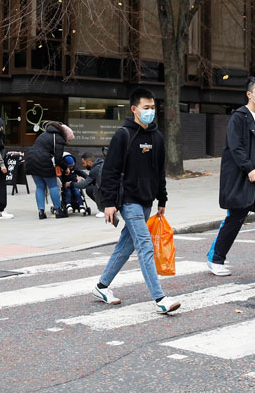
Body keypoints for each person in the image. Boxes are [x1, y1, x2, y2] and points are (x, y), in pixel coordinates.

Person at [92, 87, 181, 315]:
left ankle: (101, 286)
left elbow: (159, 171)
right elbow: (110, 171)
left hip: (146, 201)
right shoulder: (123, 135)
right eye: (146, 108)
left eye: (153, 107)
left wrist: (162, 198)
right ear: (134, 109)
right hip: (128, 200)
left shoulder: (157, 137)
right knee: (145, 245)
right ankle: (160, 298)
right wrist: (110, 203)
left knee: (126, 245)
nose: (150, 111)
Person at [206, 77, 255, 279]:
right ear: (249, 94)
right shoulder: (239, 117)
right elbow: (235, 146)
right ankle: (216, 259)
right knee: (235, 219)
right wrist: (249, 168)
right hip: (245, 178)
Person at [25, 120, 75, 219]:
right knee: (53, 185)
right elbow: (58, 159)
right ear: (66, 136)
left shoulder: (44, 134)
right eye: (69, 140)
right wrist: (65, 168)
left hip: (30, 159)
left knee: (40, 187)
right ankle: (58, 210)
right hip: (43, 160)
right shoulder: (59, 138)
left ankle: (41, 212)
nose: (68, 142)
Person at [73, 152, 105, 218]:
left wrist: (71, 184)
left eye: (84, 163)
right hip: (115, 191)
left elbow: (83, 185)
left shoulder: (94, 170)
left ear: (89, 162)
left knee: (90, 189)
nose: (83, 165)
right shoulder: (102, 163)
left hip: (108, 191)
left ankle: (104, 209)